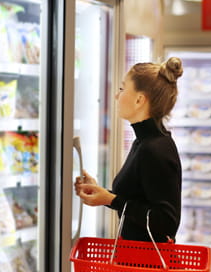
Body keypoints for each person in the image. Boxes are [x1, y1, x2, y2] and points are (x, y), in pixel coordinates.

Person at [74, 57, 183, 244]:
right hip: (137, 259)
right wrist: (103, 194)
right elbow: (139, 201)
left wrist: (111, 200)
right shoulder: (144, 141)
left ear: (139, 100)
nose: (117, 96)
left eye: (123, 89)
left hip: (147, 266)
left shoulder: (154, 149)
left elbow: (166, 222)